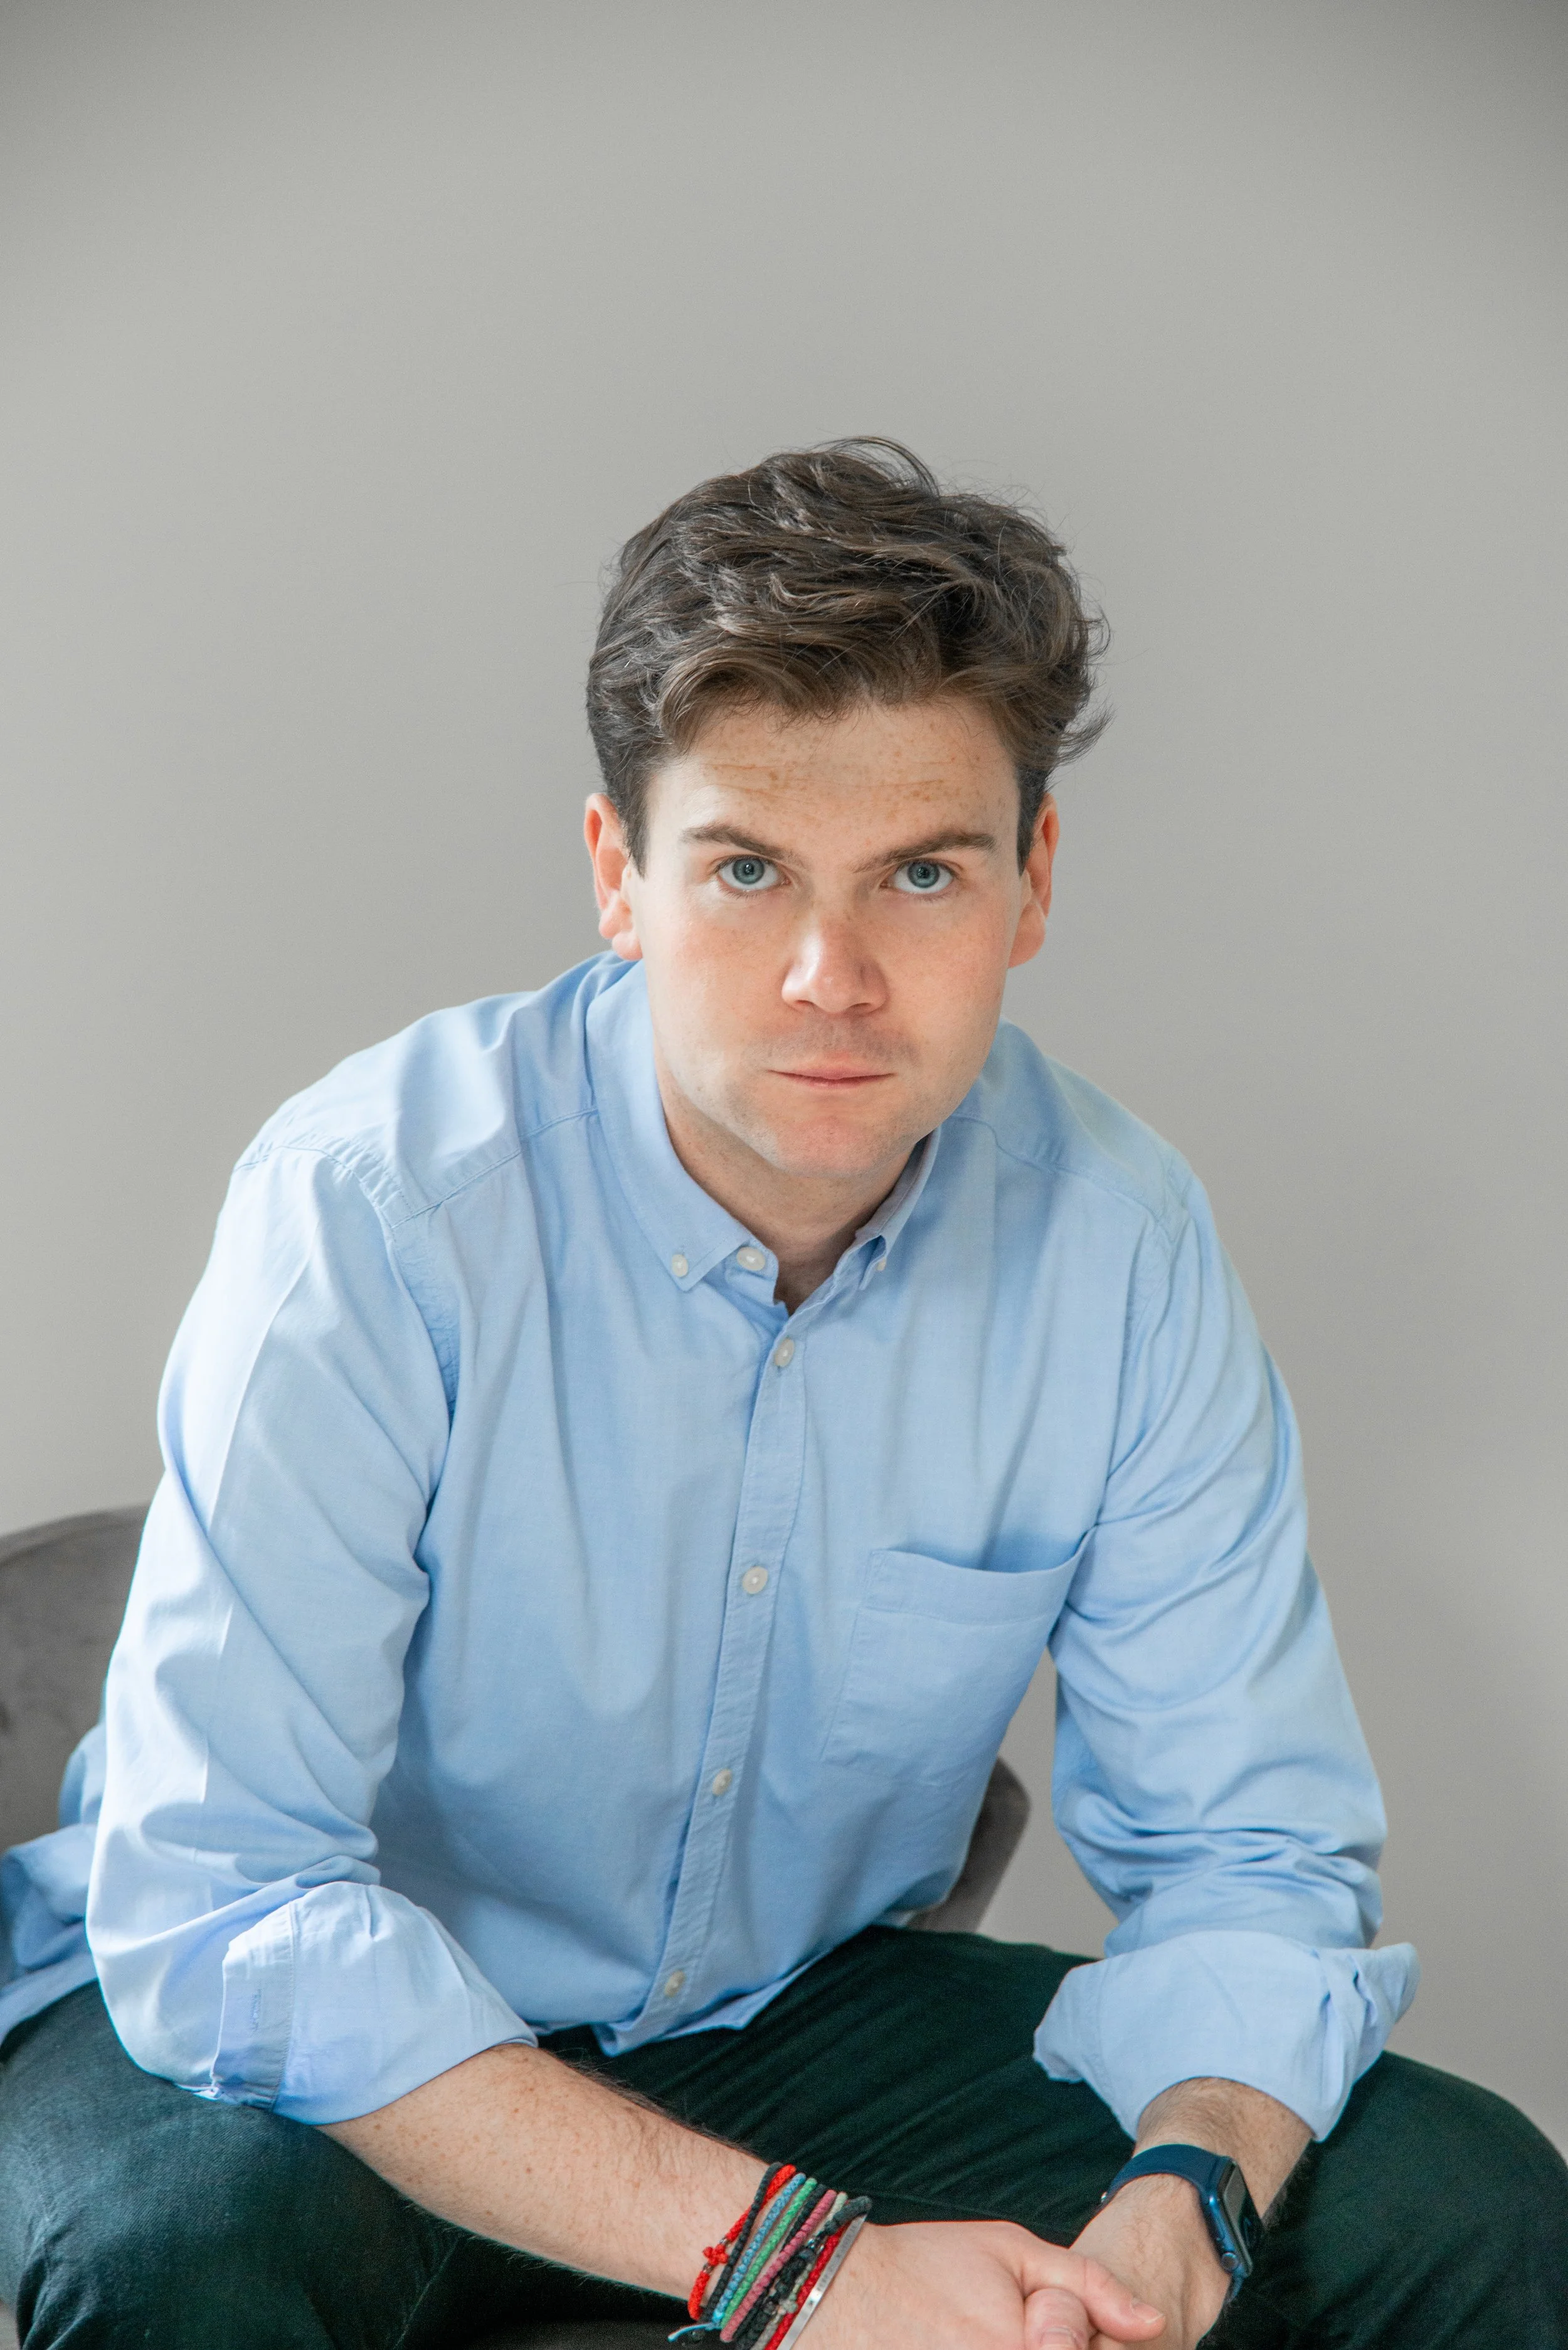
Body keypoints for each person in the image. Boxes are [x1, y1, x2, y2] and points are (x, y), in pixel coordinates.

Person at [0, 442, 1562, 2350]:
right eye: (746, 870)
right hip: (301, 2049)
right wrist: (791, 2264)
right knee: (160, 2253)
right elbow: (229, 1906)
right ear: (617, 878)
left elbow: (1244, 1848)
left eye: (921, 871)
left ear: (1030, 884)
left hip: (776, 2013)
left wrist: (1183, 2200)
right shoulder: (379, 1207)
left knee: (1461, 2205)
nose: (833, 975)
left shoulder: (1118, 1242)